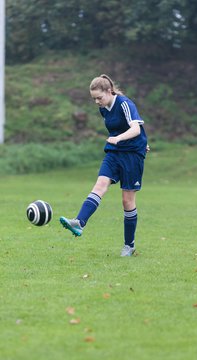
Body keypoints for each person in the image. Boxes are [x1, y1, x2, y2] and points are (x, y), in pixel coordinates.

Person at [60, 74, 148, 256]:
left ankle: (129, 245)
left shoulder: (125, 103)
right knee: (100, 185)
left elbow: (136, 128)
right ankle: (79, 222)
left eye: (99, 98)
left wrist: (121, 139)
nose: (97, 102)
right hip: (114, 153)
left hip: (132, 155)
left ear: (109, 91)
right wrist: (118, 140)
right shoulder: (104, 109)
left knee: (127, 200)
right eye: (94, 99)